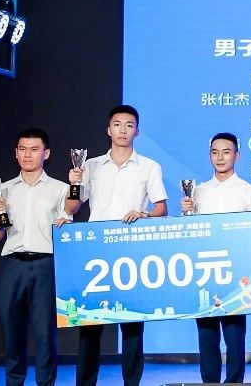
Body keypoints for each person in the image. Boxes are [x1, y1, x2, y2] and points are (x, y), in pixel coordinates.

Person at [65, 104, 168, 386]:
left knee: (132, 326)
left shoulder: (149, 166)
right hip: (96, 251)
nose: (123, 130)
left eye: (129, 125)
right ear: (108, 130)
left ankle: (132, 383)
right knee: (90, 326)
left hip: (131, 251)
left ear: (137, 131)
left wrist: (144, 214)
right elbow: (72, 208)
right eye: (117, 124)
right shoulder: (90, 165)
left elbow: (162, 208)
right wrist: (73, 183)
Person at [180, 132, 251, 384]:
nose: (220, 157)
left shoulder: (248, 191)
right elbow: (189, 233)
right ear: (210, 155)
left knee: (234, 337)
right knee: (206, 337)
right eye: (215, 152)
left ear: (237, 156)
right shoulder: (197, 191)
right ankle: (209, 383)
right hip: (204, 270)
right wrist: (185, 213)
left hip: (236, 271)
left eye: (226, 152)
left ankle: (234, 383)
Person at [0, 128, 66, 386]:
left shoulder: (60, 189)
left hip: (45, 264)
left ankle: (46, 383)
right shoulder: (3, 190)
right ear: (16, 153)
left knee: (45, 334)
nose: (27, 155)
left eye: (34, 149)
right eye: (22, 149)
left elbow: (66, 226)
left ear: (46, 153)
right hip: (13, 264)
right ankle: (14, 382)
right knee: (12, 332)